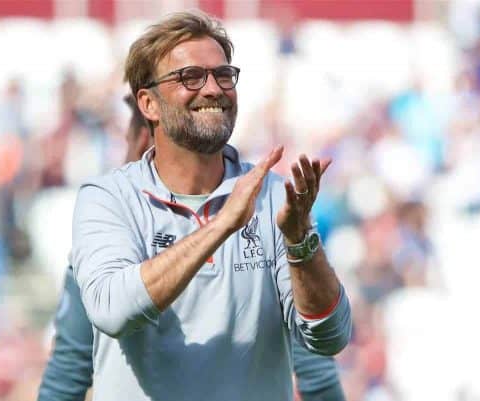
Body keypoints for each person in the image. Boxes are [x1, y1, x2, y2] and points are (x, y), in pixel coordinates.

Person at [70, 10, 351, 401]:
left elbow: (330, 336)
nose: (214, 89)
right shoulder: (108, 198)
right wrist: (221, 225)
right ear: (148, 104)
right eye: (190, 77)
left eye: (223, 75)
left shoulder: (271, 196)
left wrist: (300, 242)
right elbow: (112, 310)